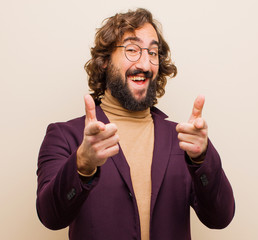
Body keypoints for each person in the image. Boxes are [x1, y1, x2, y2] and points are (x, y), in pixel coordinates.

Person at [36, 8, 235, 240]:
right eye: (132, 50)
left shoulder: (184, 139)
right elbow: (50, 217)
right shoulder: (64, 136)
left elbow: (220, 218)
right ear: (104, 61)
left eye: (153, 52)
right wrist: (82, 164)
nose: (145, 63)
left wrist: (203, 159)